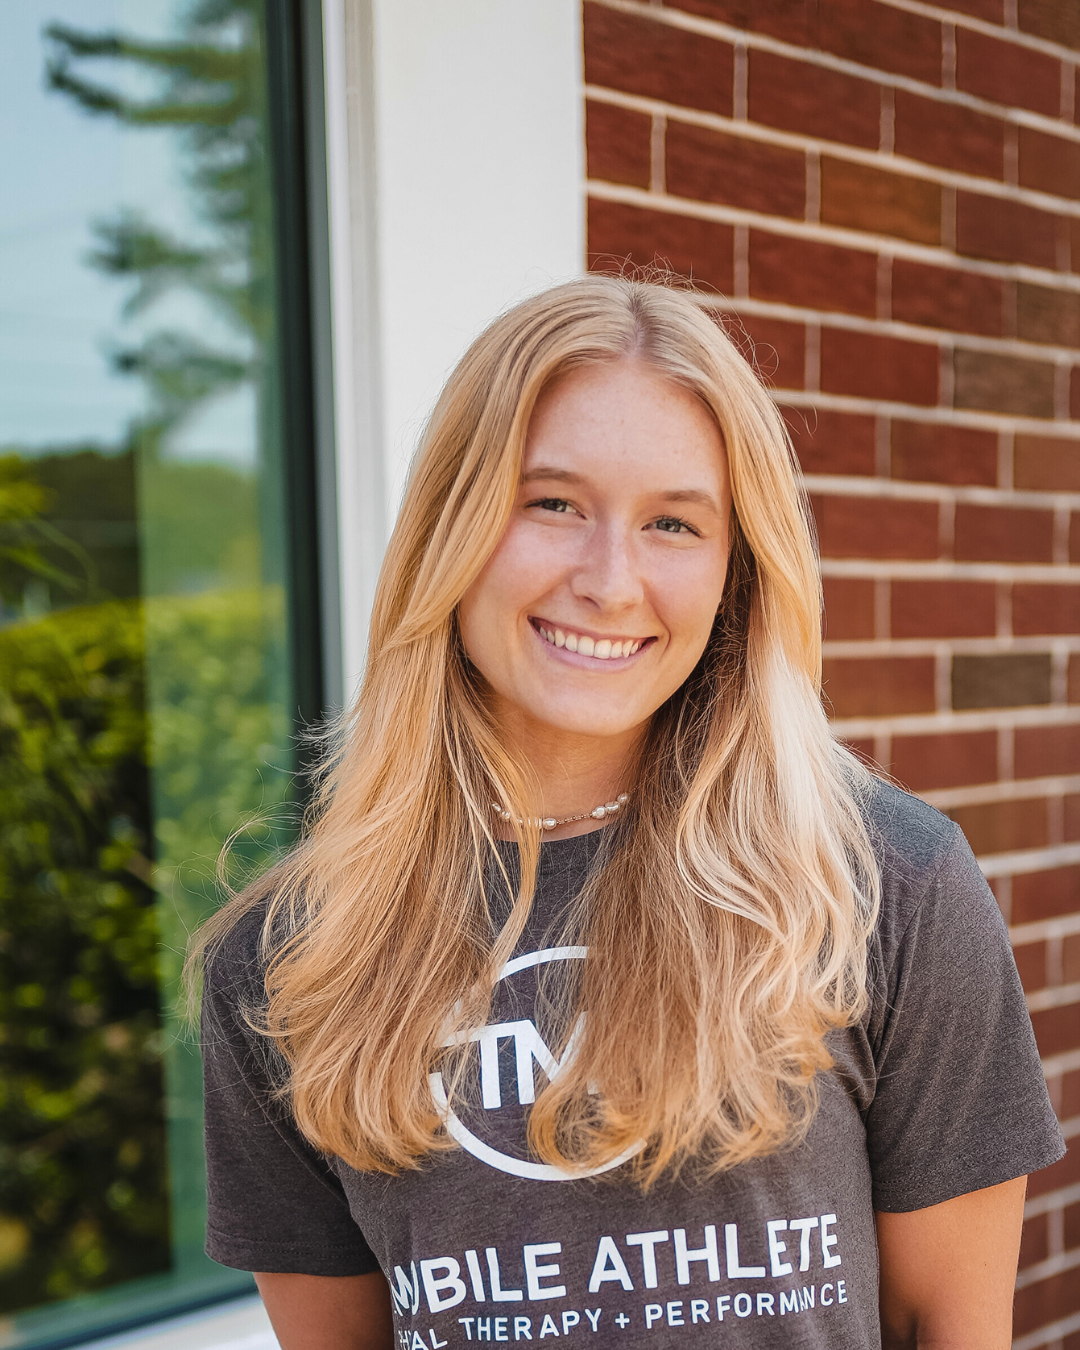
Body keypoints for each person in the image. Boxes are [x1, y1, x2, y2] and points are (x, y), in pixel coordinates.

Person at [195, 277, 1064, 1350]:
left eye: (673, 523)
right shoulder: (287, 962)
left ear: (735, 573)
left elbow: (953, 1325)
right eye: (551, 502)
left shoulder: (888, 883)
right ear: (450, 529)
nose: (610, 581)